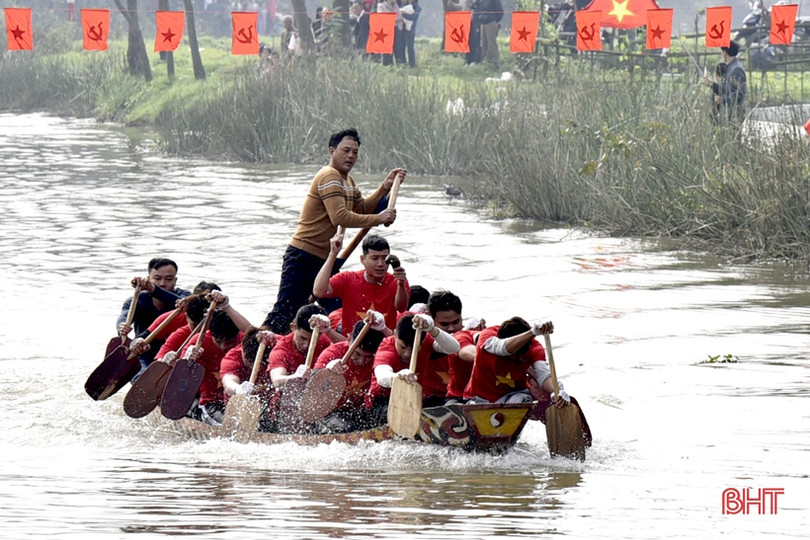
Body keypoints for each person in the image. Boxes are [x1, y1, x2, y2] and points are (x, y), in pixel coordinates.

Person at [262, 128, 405, 335]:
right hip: (303, 257)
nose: (351, 156)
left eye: (355, 152)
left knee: (336, 309)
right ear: (332, 151)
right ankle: (259, 348)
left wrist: (385, 187)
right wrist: (379, 218)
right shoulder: (328, 176)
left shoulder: (347, 180)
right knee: (285, 312)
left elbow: (363, 209)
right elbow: (340, 217)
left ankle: (339, 346)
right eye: (346, 150)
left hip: (325, 259)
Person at [365, 313, 460, 425]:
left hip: (413, 400)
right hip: (382, 402)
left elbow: (454, 348)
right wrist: (398, 376)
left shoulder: (423, 340)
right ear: (395, 334)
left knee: (446, 407)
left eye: (414, 348)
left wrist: (432, 329)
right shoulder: (387, 347)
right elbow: (382, 376)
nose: (407, 354)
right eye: (403, 347)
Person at [313, 232, 409, 338]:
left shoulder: (397, 281)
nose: (381, 264)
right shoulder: (348, 278)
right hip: (352, 344)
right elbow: (319, 291)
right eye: (375, 258)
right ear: (363, 259)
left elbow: (401, 308)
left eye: (384, 258)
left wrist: (401, 284)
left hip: (383, 345)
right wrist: (333, 254)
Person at [180, 290, 254, 425]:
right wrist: (188, 358)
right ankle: (195, 411)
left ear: (236, 336)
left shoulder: (243, 340)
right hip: (212, 402)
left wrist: (227, 306)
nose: (224, 346)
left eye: (229, 342)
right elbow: (180, 371)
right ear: (211, 333)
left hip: (237, 400)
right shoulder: (199, 341)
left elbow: (252, 331)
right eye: (218, 341)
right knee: (226, 425)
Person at [463, 317, 569, 409]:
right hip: (479, 399)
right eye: (514, 357)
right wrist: (532, 332)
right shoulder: (488, 335)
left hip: (513, 397)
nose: (519, 359)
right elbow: (502, 348)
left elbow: (543, 375)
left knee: (525, 400)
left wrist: (556, 391)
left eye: (522, 357)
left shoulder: (534, 347)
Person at [312, 315, 386, 432]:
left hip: (360, 409)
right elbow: (312, 389)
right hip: (329, 412)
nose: (362, 361)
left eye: (368, 357)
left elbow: (399, 345)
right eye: (357, 353)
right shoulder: (333, 353)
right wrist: (327, 371)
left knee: (388, 415)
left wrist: (384, 328)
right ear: (348, 338)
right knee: (346, 429)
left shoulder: (381, 354)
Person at [116, 257, 191, 371]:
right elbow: (124, 317)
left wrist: (153, 289)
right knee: (142, 375)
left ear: (175, 281)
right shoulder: (137, 300)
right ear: (148, 279)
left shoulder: (185, 298)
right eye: (157, 278)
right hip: (143, 354)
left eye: (168, 279)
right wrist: (122, 327)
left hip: (174, 355)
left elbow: (183, 304)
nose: (162, 283)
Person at [220, 326, 278, 401]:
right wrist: (238, 389)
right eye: (250, 362)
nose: (255, 367)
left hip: (269, 404)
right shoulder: (231, 359)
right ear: (242, 350)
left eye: (261, 364)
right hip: (239, 407)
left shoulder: (275, 346)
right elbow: (228, 382)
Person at [702, 40, 747, 125]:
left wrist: (723, 99)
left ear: (725, 53)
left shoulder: (737, 69)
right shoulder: (730, 67)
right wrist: (712, 84)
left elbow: (740, 94)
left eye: (722, 52)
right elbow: (727, 89)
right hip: (729, 112)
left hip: (735, 113)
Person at [477, 0, 503, 68]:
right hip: (483, 22)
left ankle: (495, 63)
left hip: (491, 22)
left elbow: (500, 10)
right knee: (484, 44)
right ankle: (486, 63)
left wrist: (495, 21)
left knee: (492, 44)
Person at [400, 0, 421, 68]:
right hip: (402, 28)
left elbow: (413, 17)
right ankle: (403, 63)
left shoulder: (417, 7)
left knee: (410, 47)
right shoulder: (403, 5)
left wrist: (403, 14)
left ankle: (412, 64)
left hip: (411, 29)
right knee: (401, 46)